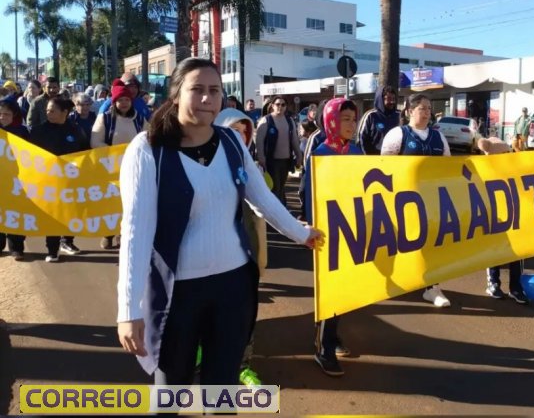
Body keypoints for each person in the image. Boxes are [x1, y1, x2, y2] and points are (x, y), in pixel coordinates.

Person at [116, 57, 322, 387]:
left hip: (233, 287)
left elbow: (263, 199)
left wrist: (301, 233)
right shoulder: (148, 149)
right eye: (196, 89)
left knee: (222, 386)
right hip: (177, 294)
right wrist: (129, 310)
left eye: (214, 90)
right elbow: (135, 233)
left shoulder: (231, 142)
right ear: (176, 95)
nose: (207, 98)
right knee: (170, 389)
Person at [304, 97, 361, 377]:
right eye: (345, 119)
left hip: (353, 231)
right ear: (331, 121)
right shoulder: (320, 153)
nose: (351, 124)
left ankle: (332, 334)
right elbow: (309, 195)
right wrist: (309, 229)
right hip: (327, 234)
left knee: (346, 289)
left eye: (354, 119)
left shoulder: (358, 152)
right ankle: (323, 349)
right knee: (330, 291)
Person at [380, 93, 452, 308]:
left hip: (432, 202)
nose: (427, 112)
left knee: (432, 245)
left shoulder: (439, 137)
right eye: (422, 108)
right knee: (399, 244)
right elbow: (384, 168)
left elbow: (448, 168)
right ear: (410, 111)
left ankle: (432, 288)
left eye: (429, 108)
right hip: (403, 203)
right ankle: (393, 281)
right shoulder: (397, 135)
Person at [214, 107, 268, 387]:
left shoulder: (253, 167)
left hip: (247, 253)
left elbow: (267, 205)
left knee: (245, 314)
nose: (241, 137)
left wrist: (297, 227)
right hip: (214, 257)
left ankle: (244, 365)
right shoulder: (206, 165)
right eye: (234, 131)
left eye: (245, 132)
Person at [30, 96, 89, 262]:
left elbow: (86, 152)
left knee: (70, 212)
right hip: (48, 180)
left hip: (70, 181)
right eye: (47, 111)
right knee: (52, 215)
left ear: (65, 112)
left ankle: (68, 241)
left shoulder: (76, 130)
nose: (48, 113)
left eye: (52, 111)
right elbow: (29, 154)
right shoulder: (38, 131)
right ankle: (52, 249)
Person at [92, 79, 148, 250]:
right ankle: (107, 234)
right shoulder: (105, 118)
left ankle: (122, 234)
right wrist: (114, 153)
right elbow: (95, 141)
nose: (124, 103)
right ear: (114, 102)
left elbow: (148, 138)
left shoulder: (140, 119)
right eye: (120, 100)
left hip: (133, 168)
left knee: (128, 202)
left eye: (127, 100)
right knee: (110, 204)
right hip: (110, 168)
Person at [477, 137, 528, 304]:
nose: (508, 155)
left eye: (508, 152)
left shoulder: (513, 168)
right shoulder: (482, 171)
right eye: (504, 153)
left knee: (518, 251)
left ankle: (516, 287)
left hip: (514, 216)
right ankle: (493, 283)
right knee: (494, 251)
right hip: (494, 218)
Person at [255, 95, 302, 205]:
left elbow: (294, 140)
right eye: (277, 104)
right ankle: (277, 210)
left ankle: (282, 209)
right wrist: (261, 157)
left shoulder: (289, 120)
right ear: (272, 106)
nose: (280, 107)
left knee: (281, 187)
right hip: (271, 161)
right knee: (274, 188)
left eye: (283, 105)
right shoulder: (266, 120)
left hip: (285, 161)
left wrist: (299, 156)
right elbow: (259, 141)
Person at [0, 100, 29, 261]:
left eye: (6, 114)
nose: (2, 117)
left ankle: (16, 247)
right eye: (0, 114)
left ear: (14, 115)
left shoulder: (22, 131)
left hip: (17, 179)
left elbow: (32, 154)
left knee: (16, 213)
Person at [357, 85, 400, 155]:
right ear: (381, 99)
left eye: (393, 98)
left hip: (396, 159)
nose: (392, 102)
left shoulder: (400, 115)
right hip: (374, 158)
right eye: (389, 98)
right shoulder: (370, 116)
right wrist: (367, 157)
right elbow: (361, 138)